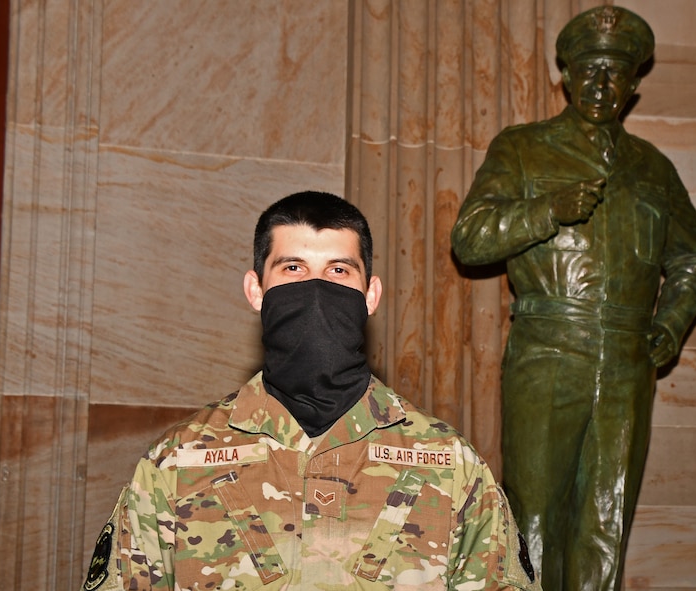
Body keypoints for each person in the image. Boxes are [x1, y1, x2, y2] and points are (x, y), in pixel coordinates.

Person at [81, 191, 539, 591]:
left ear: (370, 294)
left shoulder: (451, 464)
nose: (316, 288)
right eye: (293, 267)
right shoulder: (177, 461)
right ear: (256, 290)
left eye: (338, 270)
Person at [450, 6, 696, 591]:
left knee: (607, 518)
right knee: (536, 516)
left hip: (626, 361)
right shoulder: (523, 149)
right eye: (589, 70)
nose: (601, 84)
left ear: (632, 85)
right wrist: (548, 209)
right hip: (549, 348)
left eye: (615, 73)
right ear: (565, 78)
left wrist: (668, 327)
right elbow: (469, 239)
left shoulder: (652, 168)